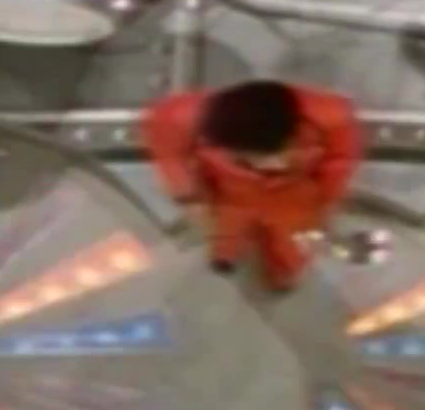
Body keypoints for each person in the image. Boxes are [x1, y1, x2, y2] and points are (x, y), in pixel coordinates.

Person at [144, 80, 364, 293]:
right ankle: (224, 257)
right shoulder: (178, 118)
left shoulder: (332, 117)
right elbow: (172, 158)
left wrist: (326, 201)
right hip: (229, 189)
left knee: (294, 239)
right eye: (252, 156)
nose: (272, 165)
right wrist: (190, 197)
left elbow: (340, 162)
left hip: (295, 193)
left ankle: (285, 270)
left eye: (277, 153)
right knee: (225, 227)